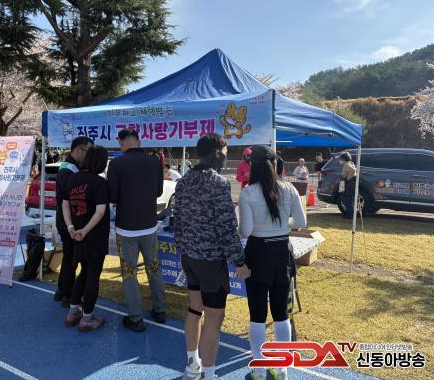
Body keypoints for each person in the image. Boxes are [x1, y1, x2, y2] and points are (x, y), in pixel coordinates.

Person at [174, 133, 249, 380]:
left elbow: (177, 223)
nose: (225, 159)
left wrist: (184, 249)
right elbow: (227, 227)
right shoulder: (218, 183)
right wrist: (239, 261)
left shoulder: (183, 181)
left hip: (189, 257)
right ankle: (208, 373)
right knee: (214, 319)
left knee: (195, 310)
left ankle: (192, 366)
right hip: (210, 261)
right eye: (225, 154)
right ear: (217, 154)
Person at [238, 146, 307, 380]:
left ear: (252, 166)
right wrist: (281, 225)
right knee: (281, 314)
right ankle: (281, 369)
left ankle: (259, 370)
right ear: (274, 164)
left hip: (258, 253)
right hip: (281, 252)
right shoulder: (289, 189)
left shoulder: (248, 193)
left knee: (257, 314)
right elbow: (301, 222)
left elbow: (246, 230)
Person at [107, 129, 166, 332]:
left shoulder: (116, 164)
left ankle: (136, 317)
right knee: (154, 267)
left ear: (122, 143)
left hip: (126, 228)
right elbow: (159, 191)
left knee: (129, 272)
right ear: (138, 142)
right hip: (149, 224)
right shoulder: (154, 162)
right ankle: (160, 310)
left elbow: (112, 196)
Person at [62, 145, 110, 332]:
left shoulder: (73, 178)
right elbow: (100, 211)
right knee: (93, 275)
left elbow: (65, 205)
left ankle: (73, 312)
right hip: (94, 235)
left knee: (83, 272)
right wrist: (85, 230)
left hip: (77, 234)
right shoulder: (99, 182)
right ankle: (87, 317)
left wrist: (71, 227)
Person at [54, 136, 94, 307]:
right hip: (68, 222)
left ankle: (62, 289)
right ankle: (68, 294)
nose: (90, 156)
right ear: (79, 150)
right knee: (71, 258)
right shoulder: (68, 171)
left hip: (67, 220)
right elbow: (69, 200)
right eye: (89, 151)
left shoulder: (70, 168)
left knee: (69, 256)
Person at [338, 152, 357, 219]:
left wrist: (347, 179)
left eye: (341, 159)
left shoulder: (346, 164)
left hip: (348, 183)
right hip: (351, 183)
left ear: (344, 159)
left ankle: (349, 215)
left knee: (346, 199)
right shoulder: (351, 163)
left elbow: (353, 170)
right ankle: (350, 214)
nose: (340, 160)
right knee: (349, 199)